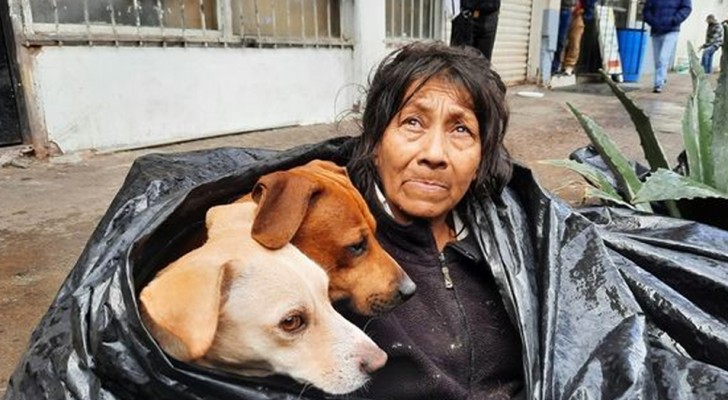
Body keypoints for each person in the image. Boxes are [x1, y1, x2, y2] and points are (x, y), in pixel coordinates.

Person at [643, 0, 692, 93]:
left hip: (672, 30)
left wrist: (674, 20)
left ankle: (658, 84)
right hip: (656, 30)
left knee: (663, 58)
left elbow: (686, 8)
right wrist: (652, 21)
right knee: (657, 60)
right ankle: (662, 76)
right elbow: (646, 9)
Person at [552, 0, 577, 75]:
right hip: (556, 6)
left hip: (566, 7)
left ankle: (554, 66)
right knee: (557, 38)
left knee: (560, 39)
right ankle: (554, 66)